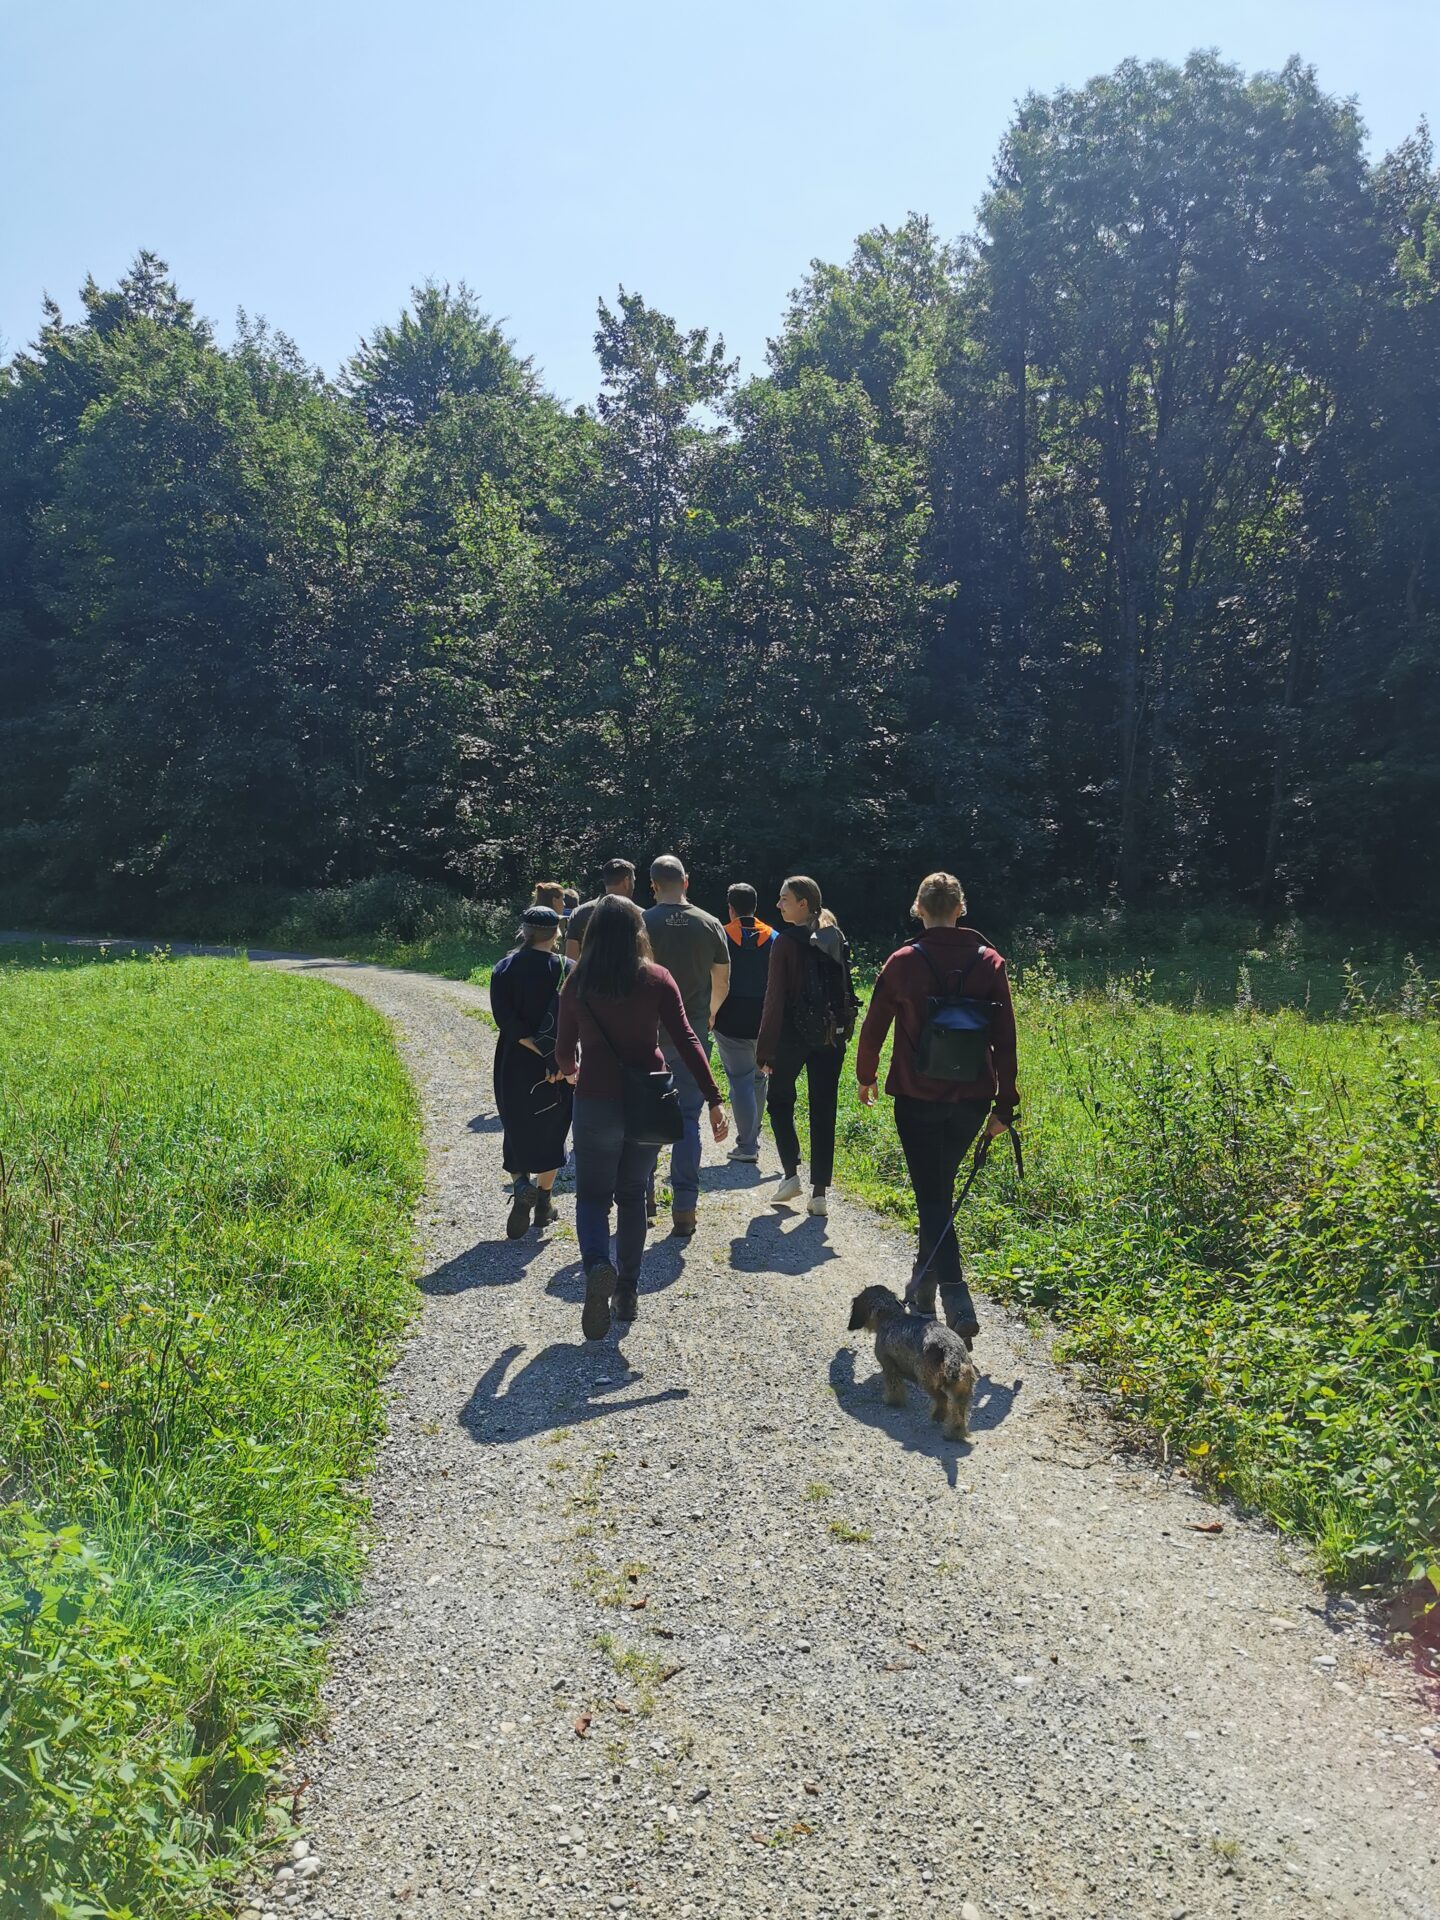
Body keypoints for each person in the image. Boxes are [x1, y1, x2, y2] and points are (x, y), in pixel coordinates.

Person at [854, 871, 1019, 1343]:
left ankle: (955, 1293)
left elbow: (874, 1025)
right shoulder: (990, 962)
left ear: (918, 909)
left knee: (931, 1194)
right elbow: (1005, 1042)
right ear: (961, 908)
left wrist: (867, 1076)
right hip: (971, 1099)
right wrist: (1005, 1103)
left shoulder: (904, 961)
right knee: (938, 1189)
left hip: (916, 1094)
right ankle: (922, 1288)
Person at [554, 896, 728, 1339]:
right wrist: (713, 1097)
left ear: (592, 935)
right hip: (647, 1101)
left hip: (595, 1100)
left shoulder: (578, 982)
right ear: (638, 933)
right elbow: (688, 1039)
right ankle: (627, 1291)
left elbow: (563, 1051)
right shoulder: (656, 978)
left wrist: (573, 1070)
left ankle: (597, 1266)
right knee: (633, 1195)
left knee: (593, 1196)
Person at [756, 875, 858, 1219]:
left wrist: (765, 1049)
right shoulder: (834, 935)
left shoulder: (785, 942)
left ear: (803, 903)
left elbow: (774, 999)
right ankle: (819, 1194)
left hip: (792, 1035)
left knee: (780, 1100)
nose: (778, 904)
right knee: (824, 1108)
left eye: (784, 899)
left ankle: (790, 1174)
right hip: (831, 1034)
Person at [642, 855, 730, 1237]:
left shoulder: (640, 923)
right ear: (687, 882)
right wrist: (708, 1015)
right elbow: (722, 980)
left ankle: (643, 1199)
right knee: (688, 1118)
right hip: (691, 1032)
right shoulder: (709, 923)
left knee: (643, 1118)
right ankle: (685, 1208)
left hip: (646, 1036)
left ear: (653, 885)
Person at [488, 906, 573, 1238]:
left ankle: (522, 1183)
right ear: (556, 934)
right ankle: (544, 1204)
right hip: (559, 1063)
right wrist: (554, 1058)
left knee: (516, 1121)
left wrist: (538, 1050)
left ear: (524, 932)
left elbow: (506, 1021)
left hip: (514, 1059)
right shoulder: (568, 970)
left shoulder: (504, 968)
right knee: (553, 1127)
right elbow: (574, 1019)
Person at [712, 882, 776, 1164]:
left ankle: (748, 1145)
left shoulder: (721, 936)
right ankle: (753, 1134)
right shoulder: (774, 936)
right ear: (755, 906)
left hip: (730, 1018)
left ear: (731, 908)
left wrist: (710, 1012)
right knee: (759, 1078)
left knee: (740, 1081)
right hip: (764, 1017)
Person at [565, 858, 637, 961]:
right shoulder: (638, 914)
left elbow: (571, 960)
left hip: (589, 976)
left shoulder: (579, 913)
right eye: (633, 880)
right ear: (626, 881)